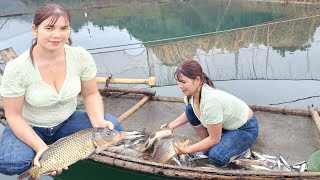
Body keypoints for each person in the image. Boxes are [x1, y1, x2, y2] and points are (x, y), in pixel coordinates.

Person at [0, 3, 123, 176]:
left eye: (64, 28)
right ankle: (43, 158)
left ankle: (67, 153)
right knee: (11, 163)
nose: (57, 35)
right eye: (49, 28)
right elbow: (13, 115)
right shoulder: (17, 68)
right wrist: (42, 148)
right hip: (30, 124)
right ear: (35, 29)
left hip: (67, 120)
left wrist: (98, 124)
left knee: (112, 128)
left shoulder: (80, 56)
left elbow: (91, 94)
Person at [160, 60, 258, 167]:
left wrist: (187, 150)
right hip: (227, 124)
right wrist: (171, 125)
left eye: (183, 82)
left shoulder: (210, 101)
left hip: (244, 128)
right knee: (189, 109)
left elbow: (214, 138)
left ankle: (240, 151)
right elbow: (189, 113)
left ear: (197, 80)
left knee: (216, 157)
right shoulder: (192, 94)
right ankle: (208, 145)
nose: (180, 85)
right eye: (178, 81)